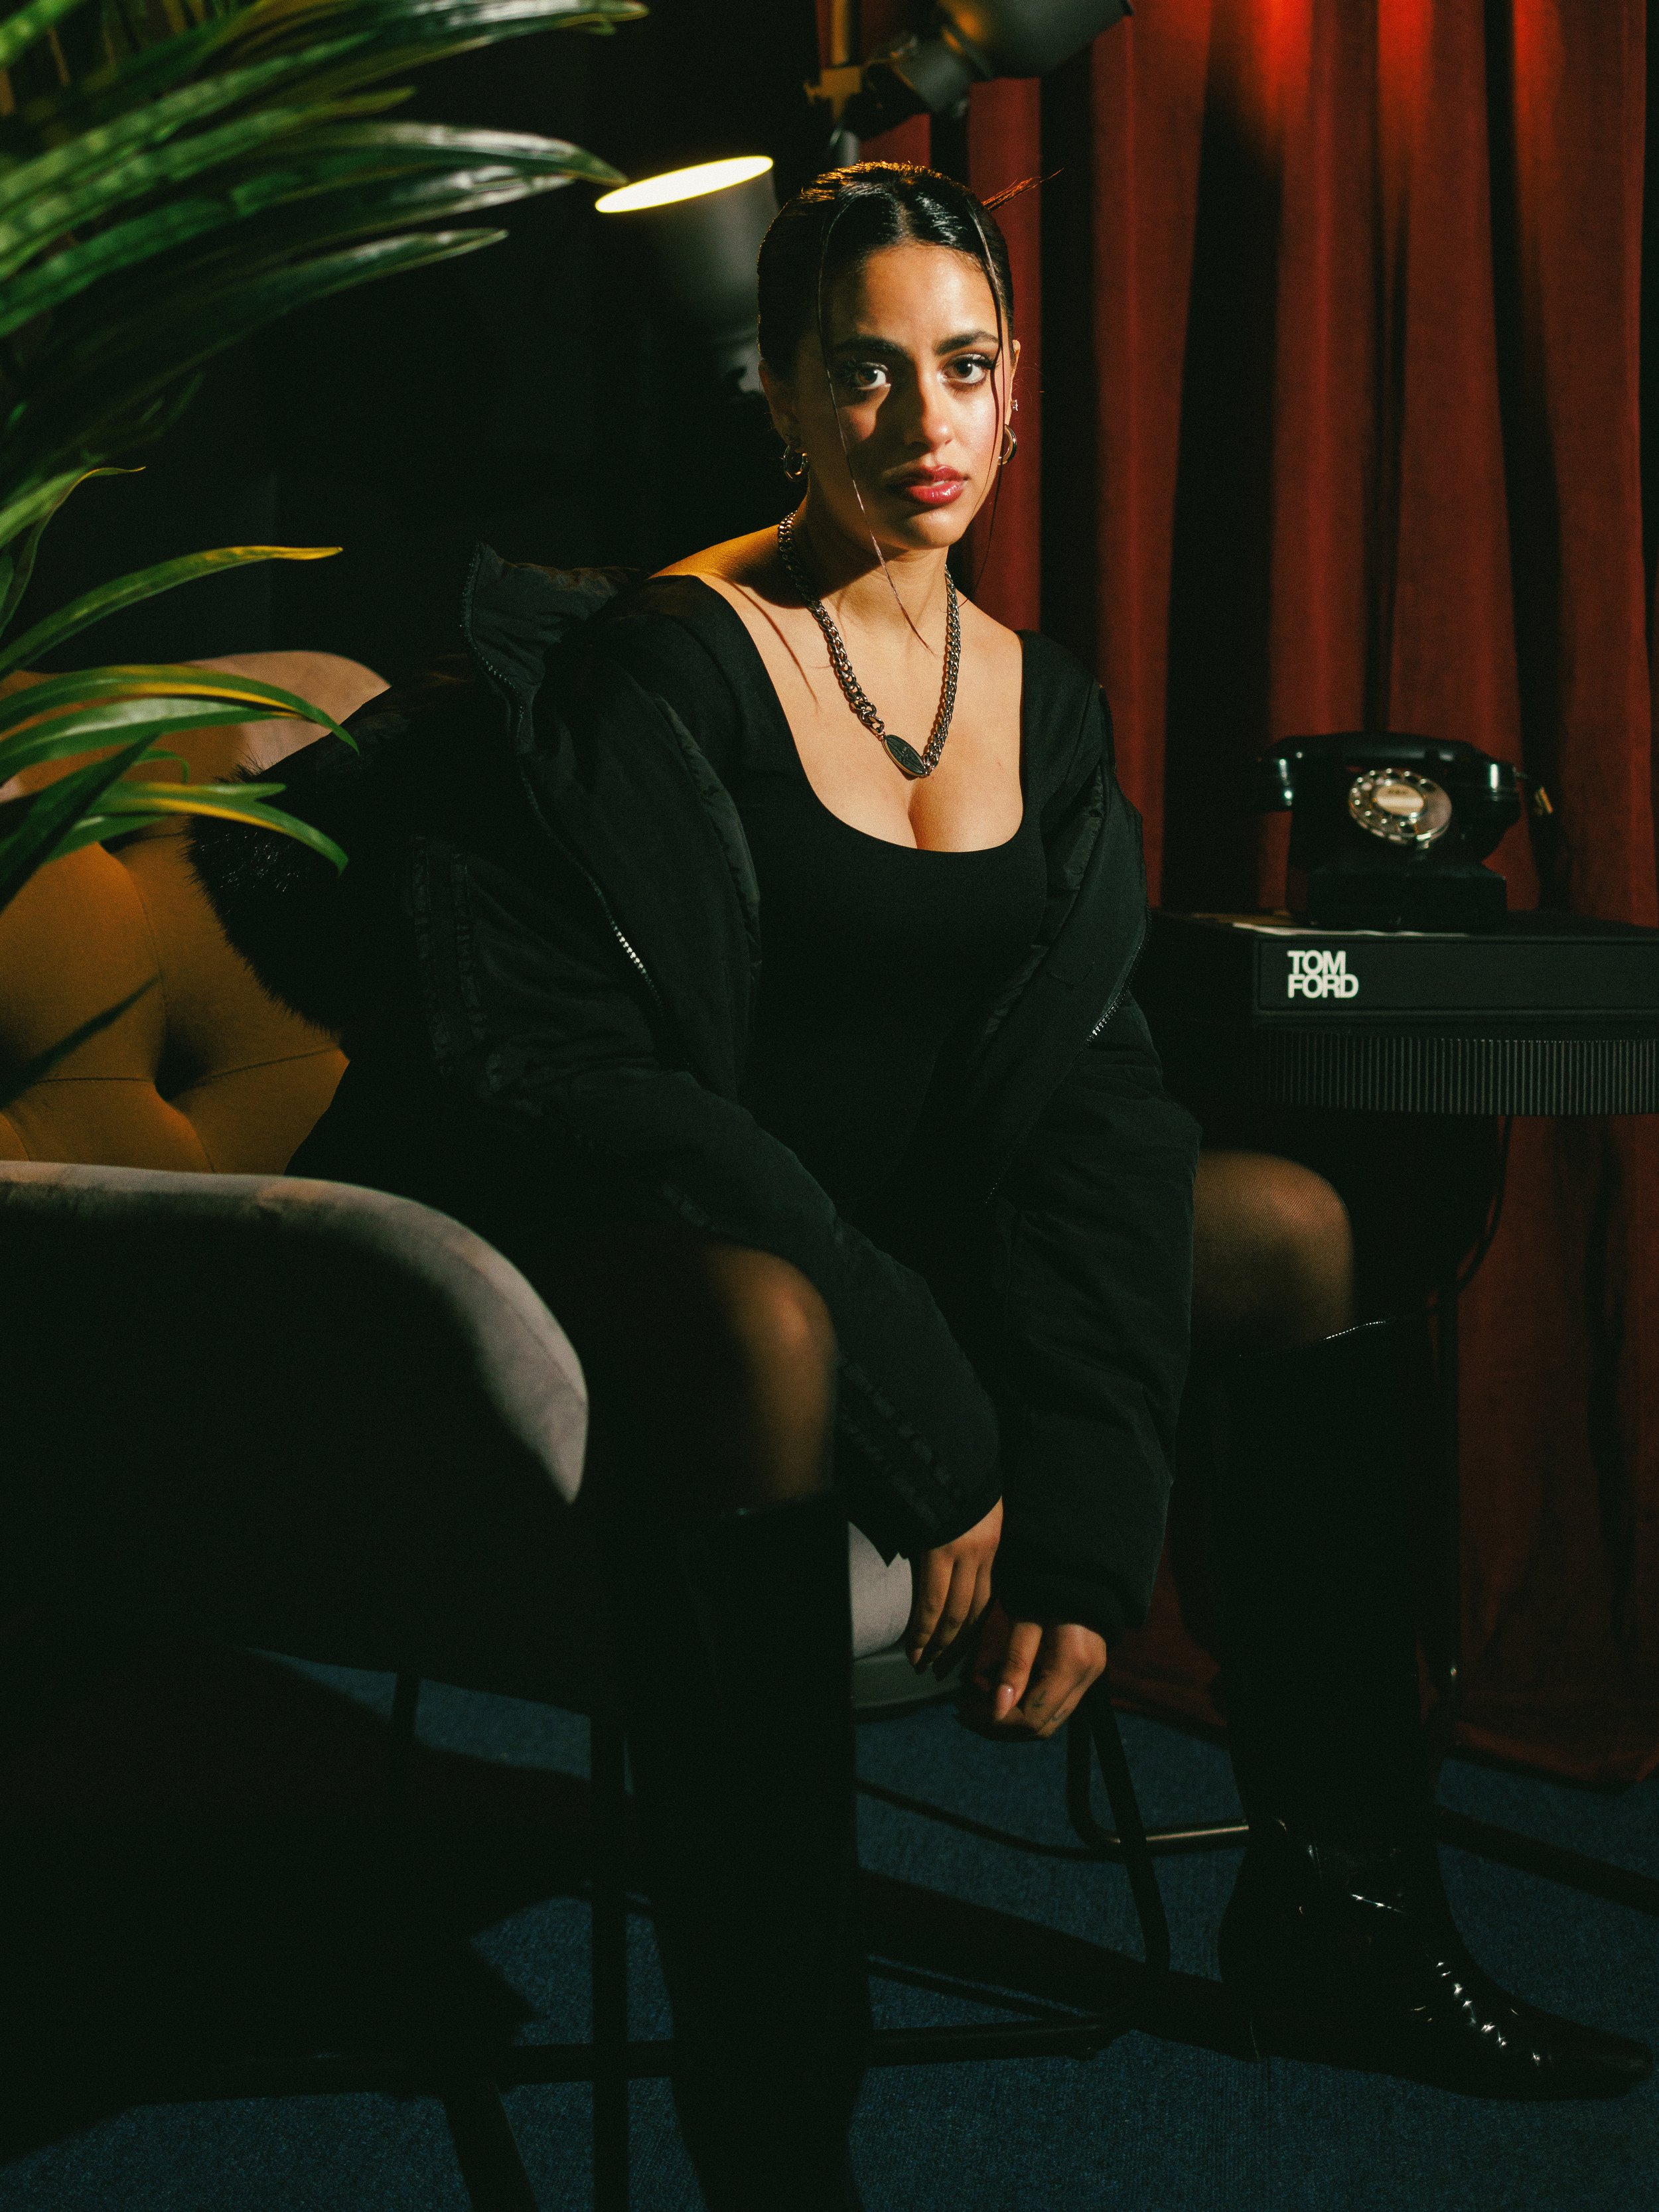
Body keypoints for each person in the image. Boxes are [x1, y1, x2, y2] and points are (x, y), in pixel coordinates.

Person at [191, 163, 1648, 2208]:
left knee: (1294, 1227)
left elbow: (1092, 1104)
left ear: (1017, 387)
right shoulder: (663, 665)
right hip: (659, 1246)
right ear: (779, 396)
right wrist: (936, 1419)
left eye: (960, 370)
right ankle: (778, 2120)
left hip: (888, 1229)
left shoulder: (1048, 708)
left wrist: (1083, 1498)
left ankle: (1346, 1917)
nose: (921, 425)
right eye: (862, 378)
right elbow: (599, 1088)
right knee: (783, 1319)